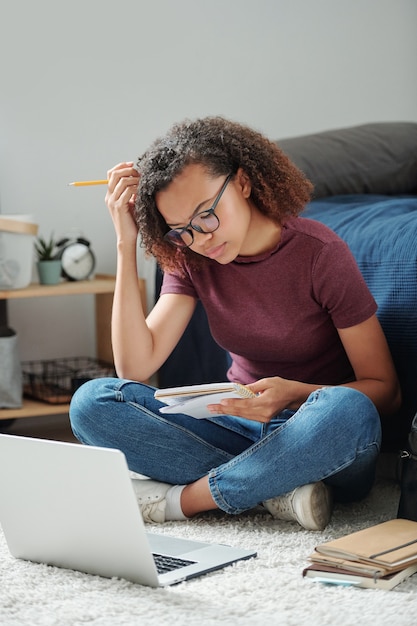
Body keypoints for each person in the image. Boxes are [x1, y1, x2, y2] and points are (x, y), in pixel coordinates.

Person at [69, 116, 401, 531]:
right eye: (181, 230)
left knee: (349, 408)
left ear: (242, 183)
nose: (201, 238)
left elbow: (384, 392)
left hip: (317, 435)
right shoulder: (191, 258)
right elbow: (134, 367)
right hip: (237, 427)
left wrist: (292, 395)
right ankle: (276, 491)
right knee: (93, 402)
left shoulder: (319, 254)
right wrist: (124, 242)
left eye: (207, 215)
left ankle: (186, 501)